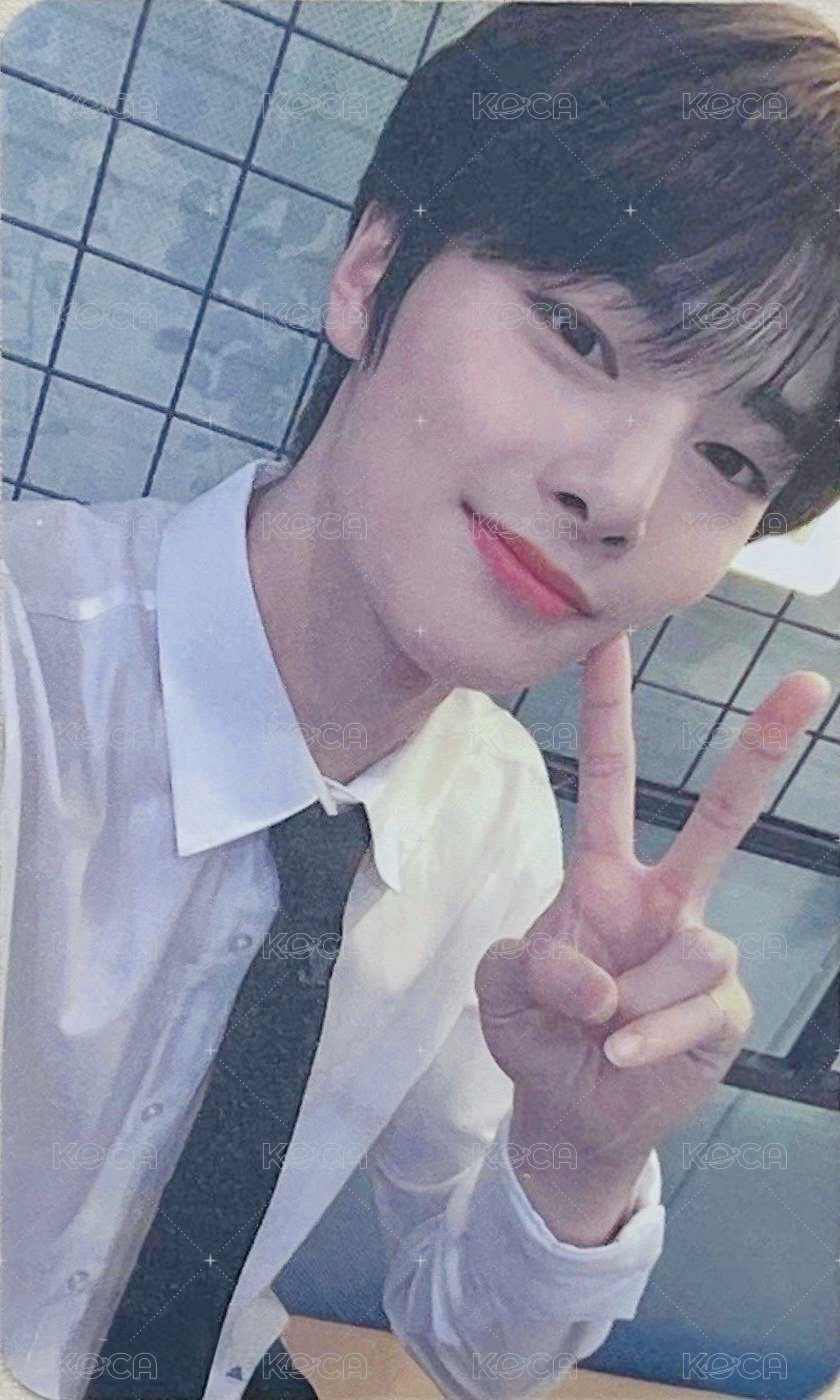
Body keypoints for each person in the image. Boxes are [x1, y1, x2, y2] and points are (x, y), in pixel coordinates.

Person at [1, 3, 837, 1398]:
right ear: (370, 272)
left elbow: (472, 1346)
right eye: (579, 332)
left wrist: (581, 1161)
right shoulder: (27, 674)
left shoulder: (496, 818)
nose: (622, 496)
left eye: (735, 461)